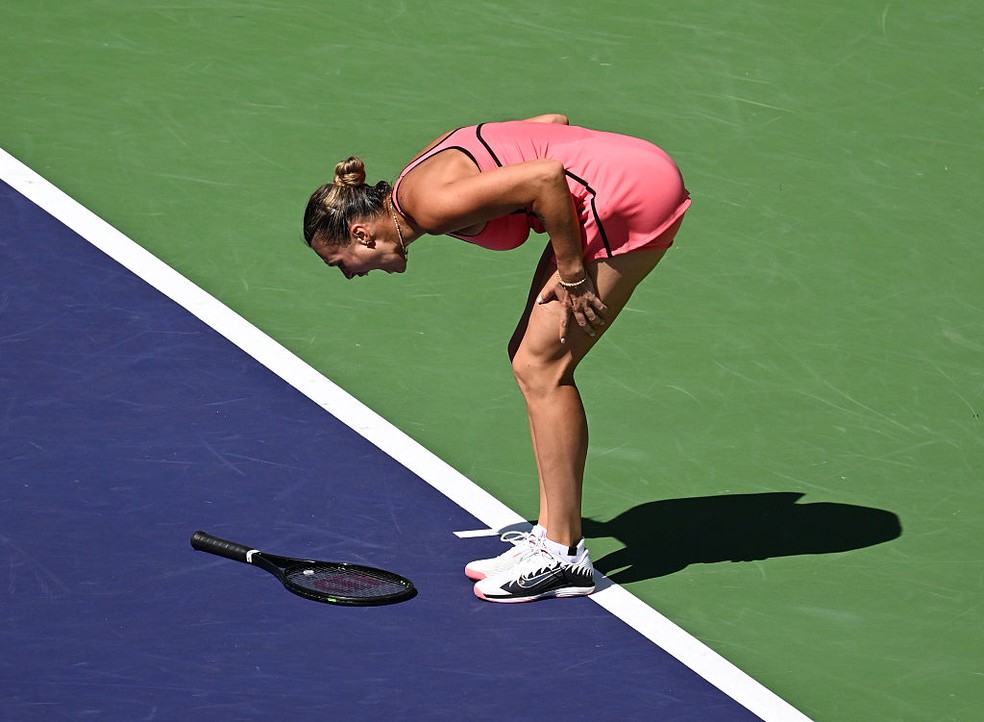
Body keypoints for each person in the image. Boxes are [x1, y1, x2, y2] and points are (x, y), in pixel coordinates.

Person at [303, 114, 691, 603]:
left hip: (626, 192)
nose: (349, 277)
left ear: (361, 235)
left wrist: (572, 272)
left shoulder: (434, 206)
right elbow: (551, 125)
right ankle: (551, 534)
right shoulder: (415, 182)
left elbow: (547, 177)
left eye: (340, 264)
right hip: (627, 171)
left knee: (542, 366)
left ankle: (565, 555)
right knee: (527, 358)